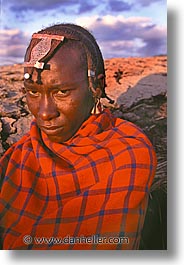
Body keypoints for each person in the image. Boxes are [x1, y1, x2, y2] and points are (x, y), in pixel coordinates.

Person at [0, 23, 157, 250]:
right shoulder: (21, 154)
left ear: (97, 86)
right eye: (33, 91)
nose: (44, 112)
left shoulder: (128, 153)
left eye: (62, 92)